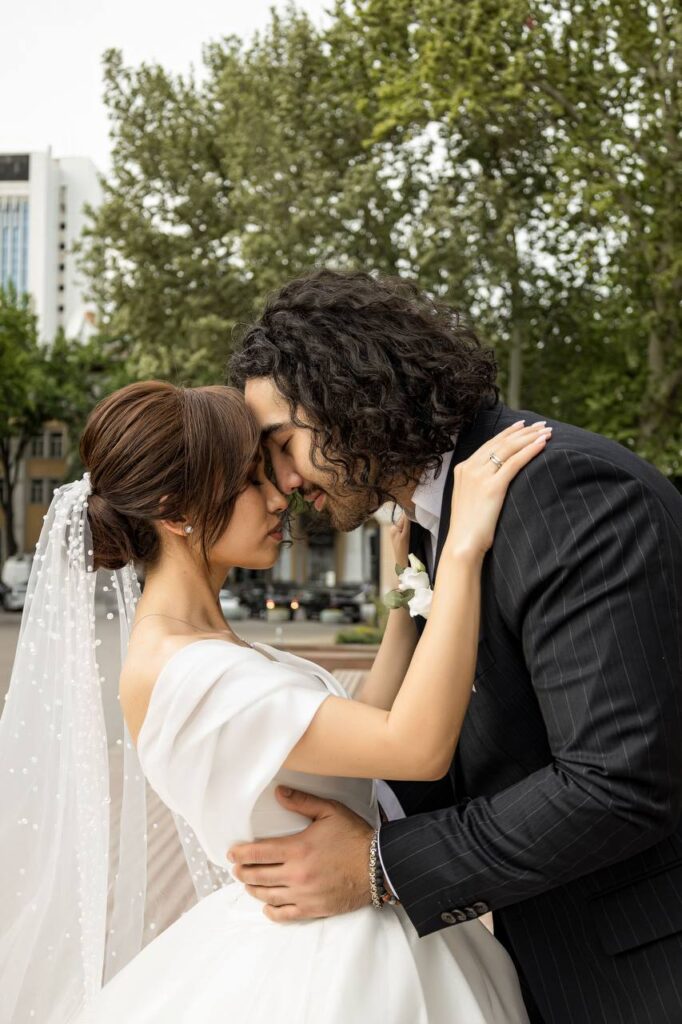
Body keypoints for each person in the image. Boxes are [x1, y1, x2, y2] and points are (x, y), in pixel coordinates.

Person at [0, 379, 549, 1023]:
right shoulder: (192, 671)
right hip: (327, 955)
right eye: (251, 481)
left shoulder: (206, 647)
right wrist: (461, 551)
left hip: (347, 921)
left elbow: (364, 730)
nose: (281, 495)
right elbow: (414, 746)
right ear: (176, 512)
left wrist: (404, 599)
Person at [229, 269, 682, 1024]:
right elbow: (476, 750)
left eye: (283, 444)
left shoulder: (572, 494)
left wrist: (378, 867)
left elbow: (616, 783)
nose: (283, 482)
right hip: (555, 956)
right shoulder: (436, 527)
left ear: (349, 395)